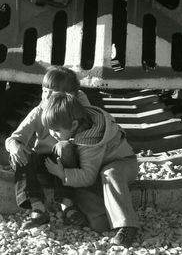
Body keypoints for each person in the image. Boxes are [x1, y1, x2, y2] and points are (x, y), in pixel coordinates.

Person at [41, 92, 140, 247]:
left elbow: (87, 176)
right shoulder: (79, 121)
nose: (53, 134)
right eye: (51, 130)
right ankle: (92, 213)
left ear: (74, 125)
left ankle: (128, 225)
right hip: (96, 171)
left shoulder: (91, 142)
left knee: (110, 173)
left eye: (57, 131)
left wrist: (62, 173)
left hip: (123, 164)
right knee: (99, 225)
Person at [5, 66, 90, 229]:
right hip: (42, 160)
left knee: (64, 147)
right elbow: (14, 138)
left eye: (52, 92)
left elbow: (92, 114)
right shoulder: (39, 112)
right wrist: (14, 146)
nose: (46, 96)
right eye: (44, 91)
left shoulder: (76, 111)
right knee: (19, 154)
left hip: (67, 162)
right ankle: (37, 207)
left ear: (69, 96)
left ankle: (67, 205)